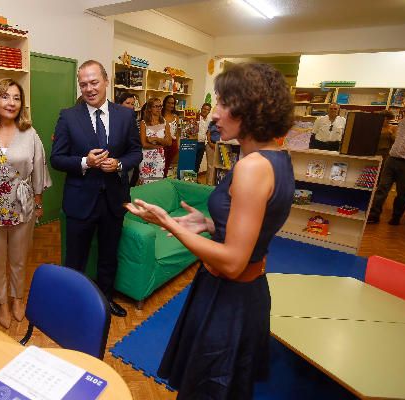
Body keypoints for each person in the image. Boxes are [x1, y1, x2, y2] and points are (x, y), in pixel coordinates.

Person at [126, 63, 295, 399]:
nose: (214, 115)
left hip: (229, 300)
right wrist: (209, 224)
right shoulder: (277, 158)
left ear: (251, 108)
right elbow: (254, 227)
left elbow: (233, 261)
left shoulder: (251, 168)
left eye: (222, 104)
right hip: (241, 295)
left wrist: (168, 222)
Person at [50, 60, 142, 318]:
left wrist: (121, 163)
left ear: (106, 81)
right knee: (75, 260)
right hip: (81, 201)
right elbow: (56, 158)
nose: (89, 89)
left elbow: (136, 152)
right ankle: (72, 304)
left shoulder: (126, 115)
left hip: (114, 201)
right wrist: (84, 162)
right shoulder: (68, 116)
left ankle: (104, 301)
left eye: (94, 82)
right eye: (83, 84)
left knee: (108, 257)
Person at [0, 78, 51, 328]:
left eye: (16, 98)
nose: (11, 103)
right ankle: (1, 302)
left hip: (21, 205)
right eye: (5, 96)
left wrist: (38, 201)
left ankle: (17, 298)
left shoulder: (29, 133)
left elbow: (38, 167)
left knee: (18, 258)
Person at [137, 97, 171, 183]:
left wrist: (155, 138)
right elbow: (144, 144)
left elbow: (169, 142)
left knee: (157, 183)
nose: (159, 108)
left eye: (160, 106)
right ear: (149, 108)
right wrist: (160, 145)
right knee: (145, 183)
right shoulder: (143, 123)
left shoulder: (164, 122)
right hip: (146, 158)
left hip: (159, 158)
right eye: (155, 106)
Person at [162, 94, 181, 178]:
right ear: (165, 103)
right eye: (168, 103)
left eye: (172, 103)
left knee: (168, 165)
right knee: (161, 165)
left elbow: (176, 132)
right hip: (162, 143)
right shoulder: (160, 116)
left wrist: (176, 144)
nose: (170, 105)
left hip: (172, 144)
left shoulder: (176, 117)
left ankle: (165, 181)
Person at [195, 103, 212, 174]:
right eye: (204, 108)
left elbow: (208, 133)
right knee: (191, 162)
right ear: (201, 109)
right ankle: (188, 179)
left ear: (209, 111)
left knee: (198, 163)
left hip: (202, 144)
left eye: (207, 109)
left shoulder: (209, 121)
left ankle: (194, 178)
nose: (205, 111)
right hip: (194, 143)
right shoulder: (196, 117)